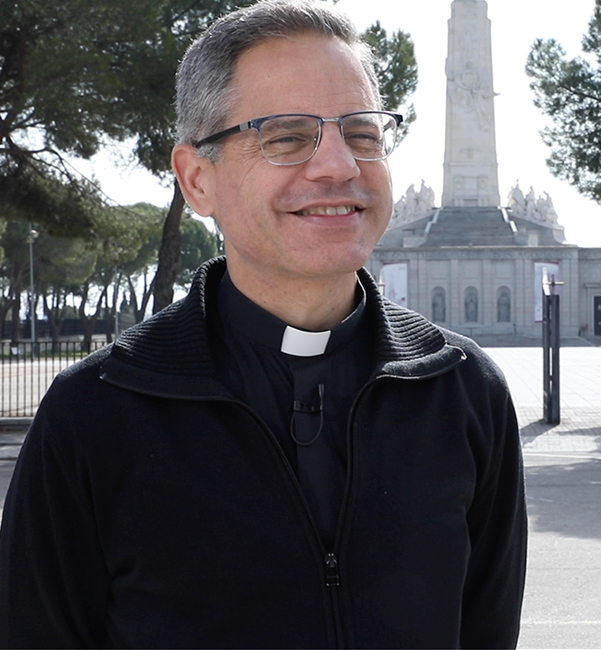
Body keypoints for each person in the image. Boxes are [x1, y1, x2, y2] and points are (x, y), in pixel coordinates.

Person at [0, 2, 527, 647]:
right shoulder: (95, 415)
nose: (338, 166)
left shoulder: (466, 395)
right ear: (198, 180)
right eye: (285, 137)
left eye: (362, 134)